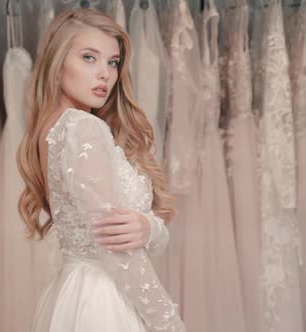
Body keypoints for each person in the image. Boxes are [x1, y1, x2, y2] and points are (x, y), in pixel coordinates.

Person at [17, 8, 186, 332]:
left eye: (112, 62)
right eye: (88, 58)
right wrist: (170, 324)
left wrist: (149, 229)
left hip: (74, 293)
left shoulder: (50, 129)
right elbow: (117, 251)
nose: (105, 74)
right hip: (104, 300)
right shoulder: (83, 128)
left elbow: (109, 232)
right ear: (58, 63)